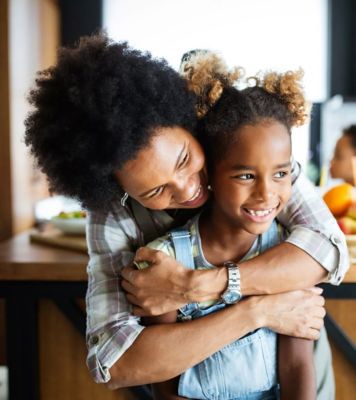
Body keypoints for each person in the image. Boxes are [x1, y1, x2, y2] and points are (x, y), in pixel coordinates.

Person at [24, 34, 347, 396]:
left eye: (184, 160)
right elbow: (115, 364)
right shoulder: (114, 215)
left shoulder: (248, 153)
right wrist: (256, 313)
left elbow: (329, 249)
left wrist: (195, 286)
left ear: (189, 123)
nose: (185, 188)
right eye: (155, 191)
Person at [135, 56, 316, 400]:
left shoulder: (288, 256)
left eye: (280, 174)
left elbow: (297, 367)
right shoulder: (165, 261)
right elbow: (166, 382)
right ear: (210, 175)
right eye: (246, 175)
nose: (266, 194)